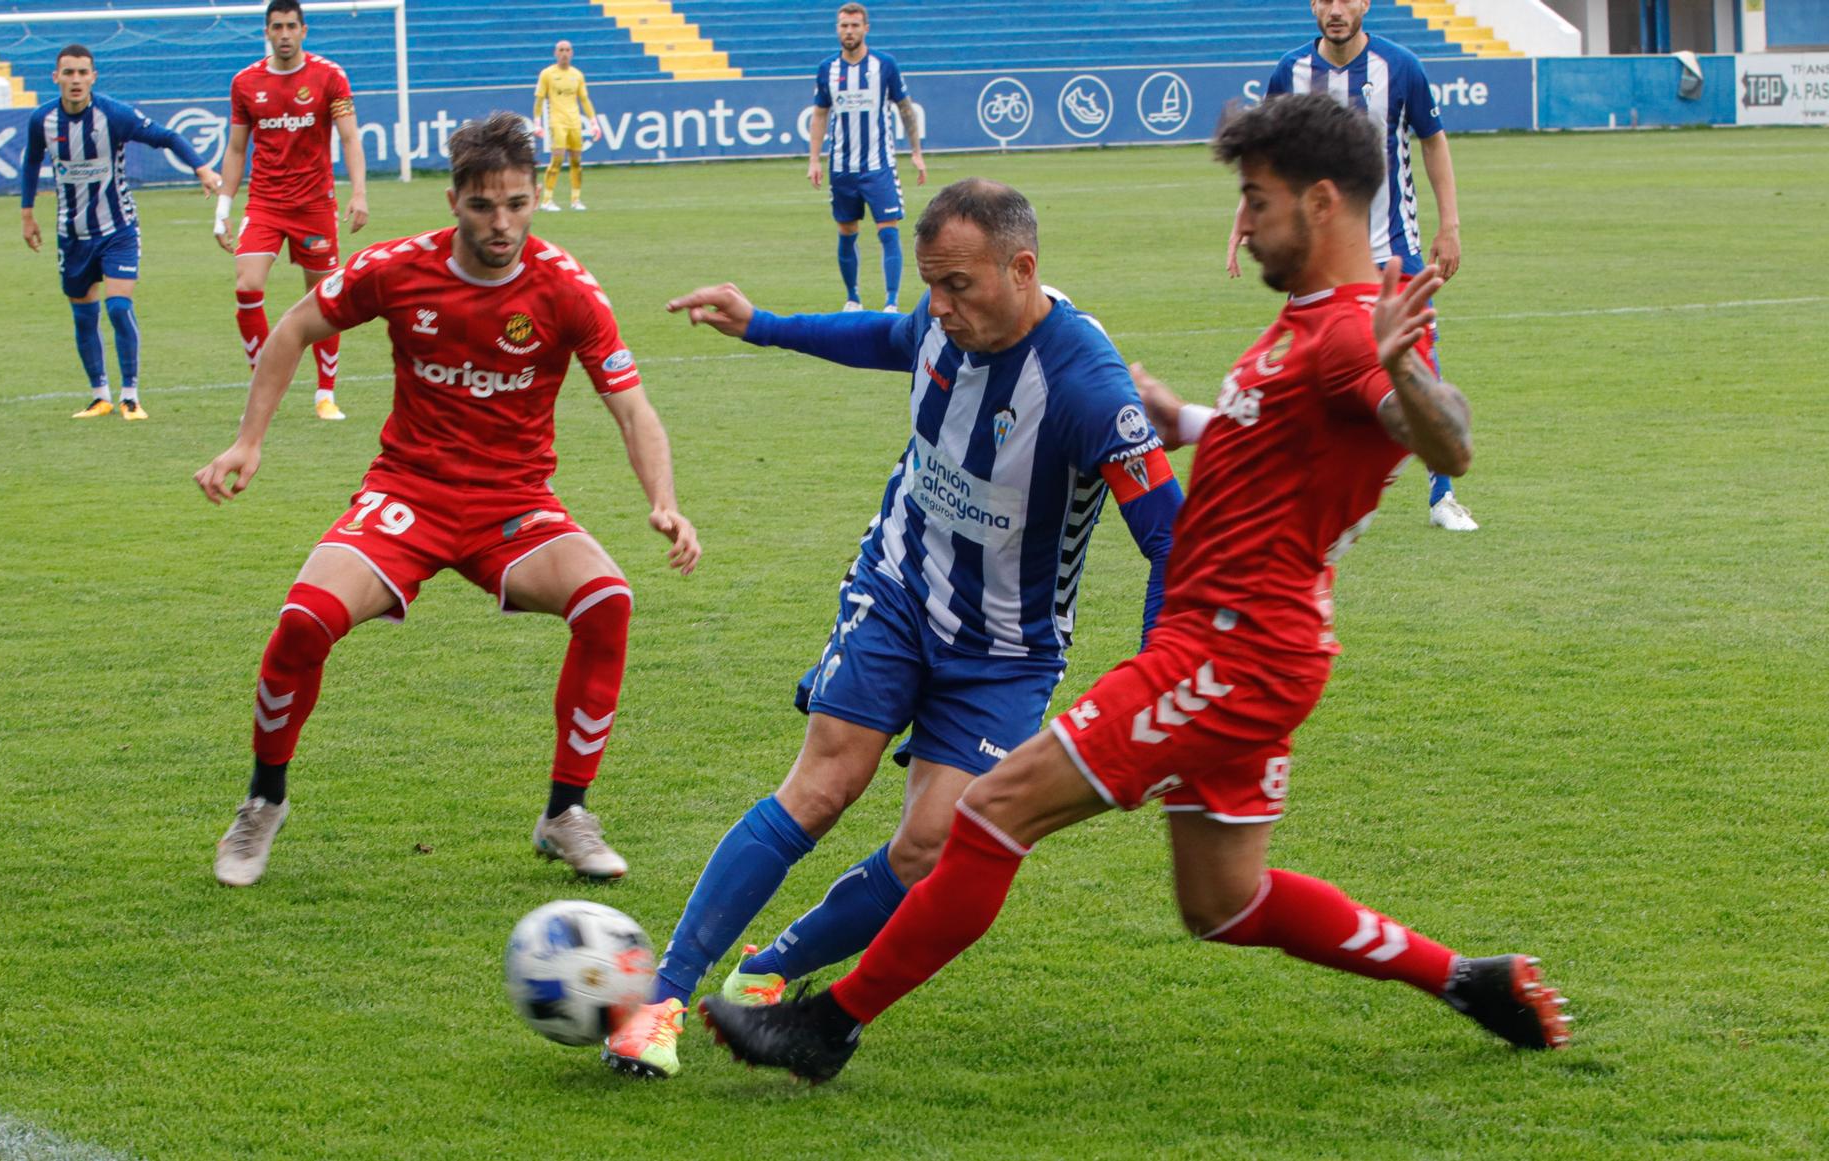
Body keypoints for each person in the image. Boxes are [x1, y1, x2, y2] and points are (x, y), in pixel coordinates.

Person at [702, 95, 1570, 1083]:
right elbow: (1291, 442)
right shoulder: (1302, 331)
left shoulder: (1344, 337)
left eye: (1255, 200)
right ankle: (1464, 978)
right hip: (1265, 649)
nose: (1239, 223)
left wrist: (1402, 374)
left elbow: (1445, 435)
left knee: (987, 813)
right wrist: (1193, 417)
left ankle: (828, 1026)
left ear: (1320, 203)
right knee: (1222, 902)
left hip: (1229, 647)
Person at [602, 178, 1184, 1079]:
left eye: (958, 285)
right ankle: (664, 998)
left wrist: (1153, 681)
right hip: (901, 588)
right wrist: (764, 322)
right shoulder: (942, 321)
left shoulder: (1085, 386)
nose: (939, 306)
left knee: (931, 848)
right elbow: (887, 334)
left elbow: (1172, 542)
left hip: (1008, 648)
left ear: (1022, 269)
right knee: (826, 778)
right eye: (932, 284)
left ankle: (770, 970)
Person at [193, 111, 701, 888]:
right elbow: (295, 325)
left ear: (535, 197)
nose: (503, 224)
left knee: (607, 599)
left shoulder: (566, 289)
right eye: (484, 206)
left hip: (513, 507)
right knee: (303, 621)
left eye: (519, 204)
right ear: (454, 199)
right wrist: (248, 441)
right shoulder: (398, 269)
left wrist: (664, 499)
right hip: (409, 494)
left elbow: (632, 406)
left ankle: (566, 813)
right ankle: (264, 800)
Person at [1228, 0, 1477, 532]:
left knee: (1416, 361)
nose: (1335, 9)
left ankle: (1442, 497)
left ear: (1364, 4)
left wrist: (1449, 223)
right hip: (1318, 258)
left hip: (1394, 252)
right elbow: (1266, 159)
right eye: (1325, 0)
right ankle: (1311, 487)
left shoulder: (1401, 67)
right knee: (1308, 368)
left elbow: (1432, 142)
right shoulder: (1289, 72)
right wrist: (1245, 218)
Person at [20, 44, 220, 420]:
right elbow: (31, 162)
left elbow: (167, 137)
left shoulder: (113, 115)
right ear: (56, 78)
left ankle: (130, 395)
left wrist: (202, 168)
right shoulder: (41, 120)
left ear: (93, 77)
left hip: (118, 229)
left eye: (82, 72)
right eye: (68, 73)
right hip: (72, 233)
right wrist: (27, 214)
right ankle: (100, 395)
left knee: (117, 305)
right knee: (83, 315)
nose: (75, 80)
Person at [217, 0, 368, 422]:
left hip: (314, 205)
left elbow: (351, 138)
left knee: (324, 299)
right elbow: (235, 148)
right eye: (276, 27)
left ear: (304, 30)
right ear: (266, 31)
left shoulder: (329, 76)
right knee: (247, 287)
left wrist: (359, 193)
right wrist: (224, 208)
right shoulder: (246, 82)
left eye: (290, 26)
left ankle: (325, 393)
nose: (283, 34)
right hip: (265, 203)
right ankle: (264, 379)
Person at [808, 2, 926, 312]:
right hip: (842, 168)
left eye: (855, 25)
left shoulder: (884, 65)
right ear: (837, 29)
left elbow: (905, 108)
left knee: (888, 228)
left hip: (879, 166)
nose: (849, 31)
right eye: (844, 26)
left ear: (866, 28)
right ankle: (853, 298)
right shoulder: (827, 69)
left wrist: (916, 151)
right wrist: (814, 159)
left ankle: (891, 302)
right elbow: (820, 115)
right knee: (847, 231)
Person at [534, 40, 599, 213]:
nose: (564, 53)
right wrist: (537, 122)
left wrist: (593, 122)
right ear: (555, 53)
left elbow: (584, 99)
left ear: (572, 53)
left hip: (575, 122)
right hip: (557, 121)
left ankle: (576, 200)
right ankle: (547, 200)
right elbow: (540, 99)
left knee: (576, 161)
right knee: (557, 159)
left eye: (567, 50)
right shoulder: (547, 74)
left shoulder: (577, 75)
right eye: (561, 50)